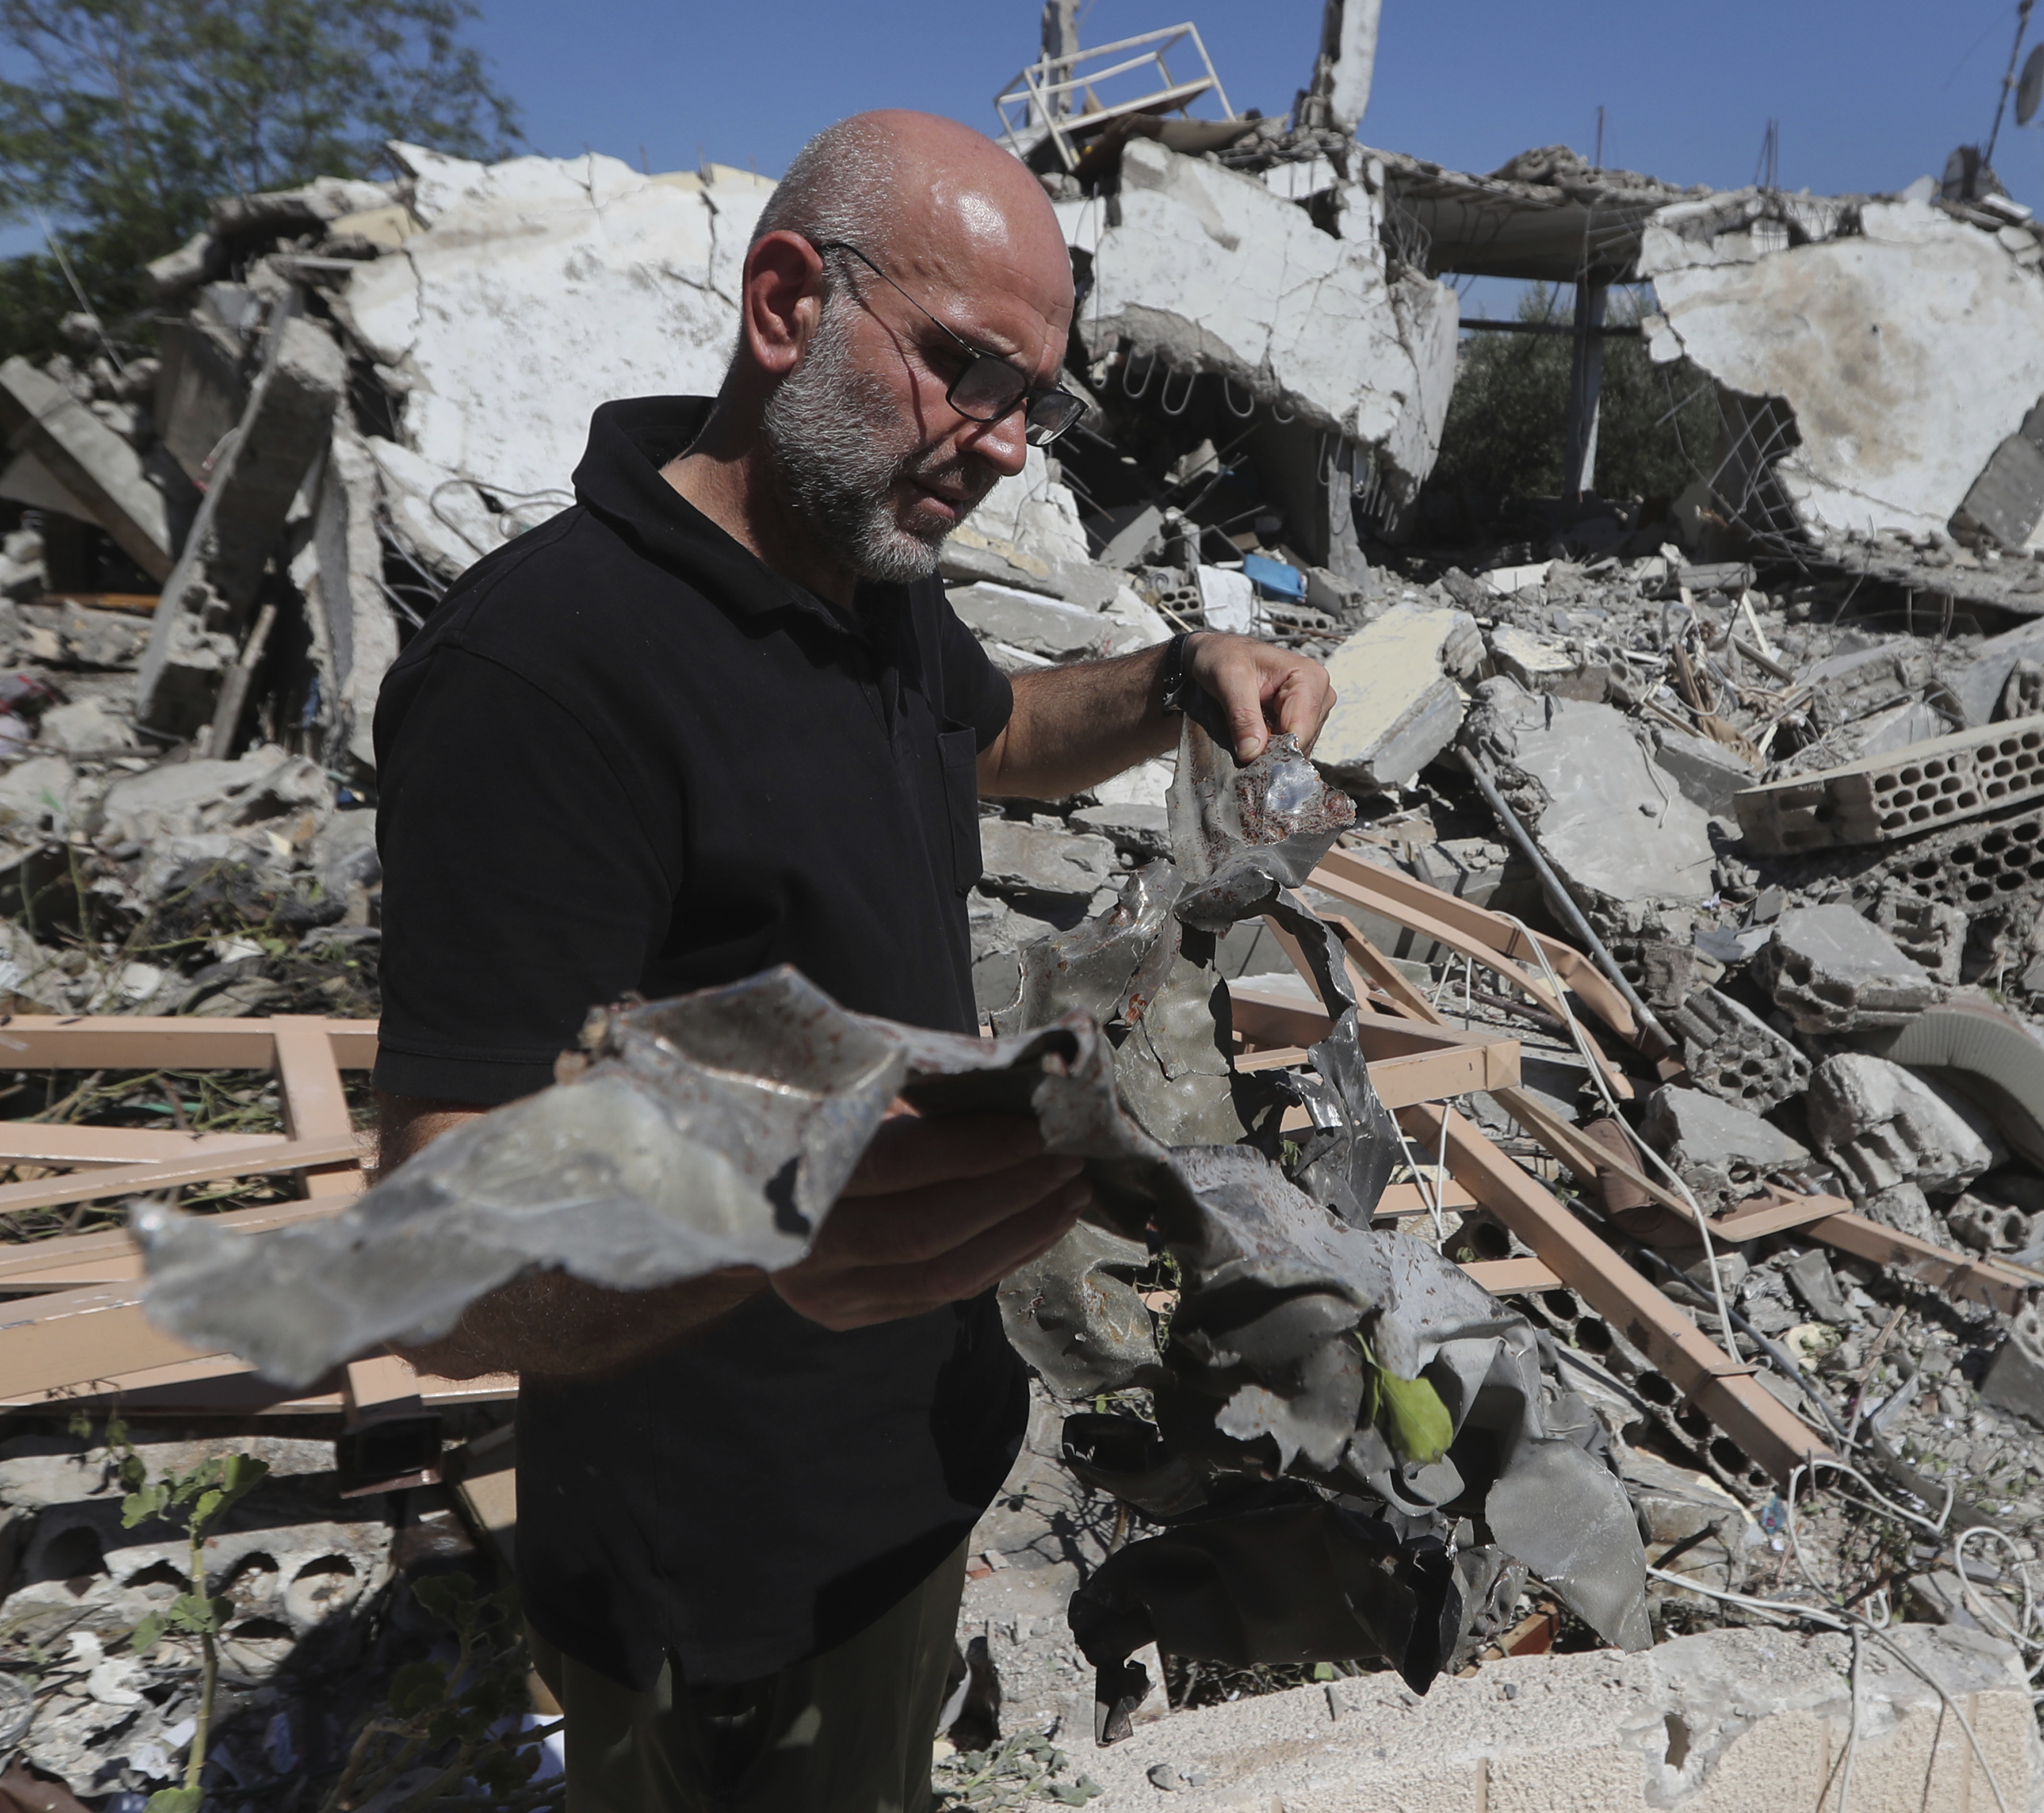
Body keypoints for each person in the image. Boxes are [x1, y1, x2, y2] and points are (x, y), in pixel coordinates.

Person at [367, 109, 1333, 1813]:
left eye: (1032, 401)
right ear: (787, 303)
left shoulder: (865, 583)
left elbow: (993, 731)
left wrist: (1181, 675)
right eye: (967, 371)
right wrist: (761, 1233)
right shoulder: (547, 675)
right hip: (717, 1577)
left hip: (907, 1474)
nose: (1011, 446)